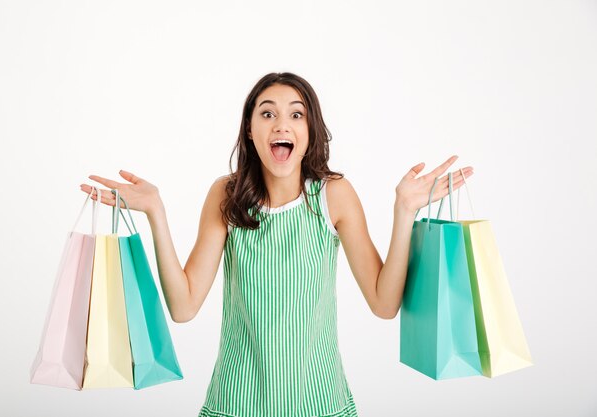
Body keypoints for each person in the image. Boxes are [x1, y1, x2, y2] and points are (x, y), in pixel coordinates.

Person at [81, 72, 474, 416]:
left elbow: (384, 304)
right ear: (250, 130)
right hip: (236, 403)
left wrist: (404, 211)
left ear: (310, 132)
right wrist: (155, 211)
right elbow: (183, 307)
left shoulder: (333, 196)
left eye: (296, 114)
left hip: (320, 403)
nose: (281, 124)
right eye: (267, 113)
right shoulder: (227, 195)